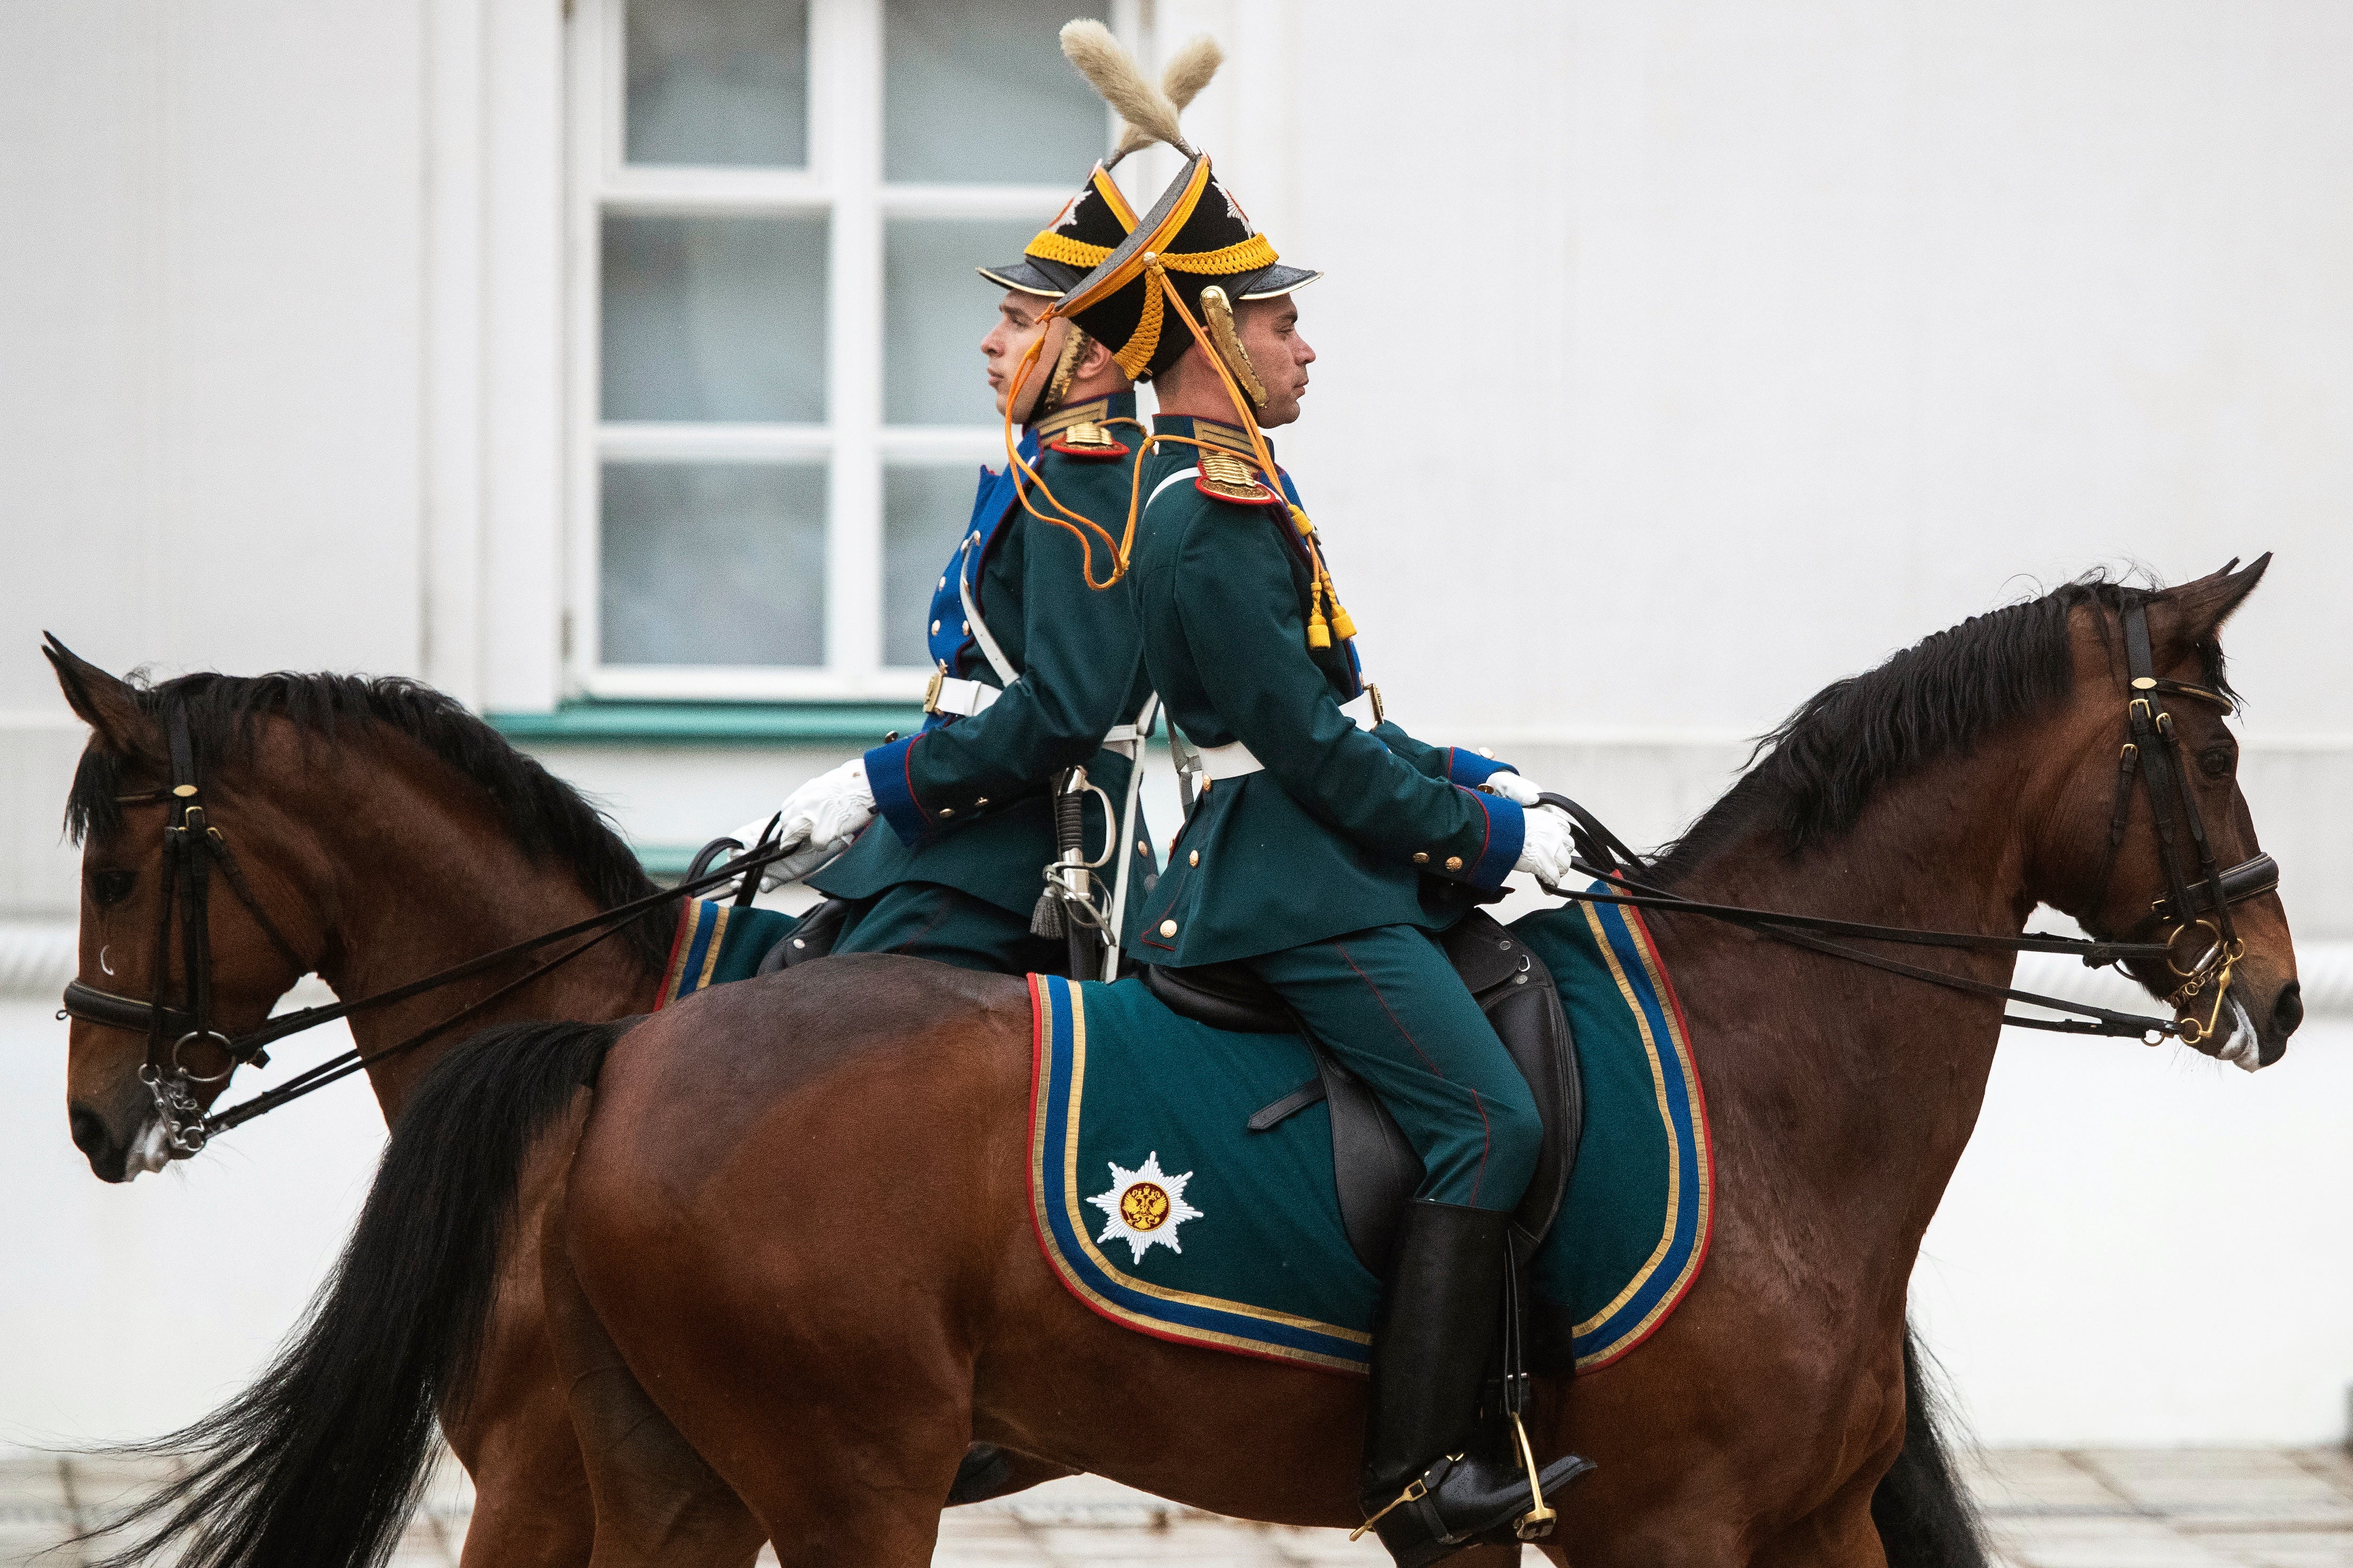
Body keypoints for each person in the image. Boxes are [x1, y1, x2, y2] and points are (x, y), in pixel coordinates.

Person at [1038, 32, 1593, 1562]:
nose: (1306, 348)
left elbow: (1344, 711)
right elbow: (1308, 754)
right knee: (1488, 1122)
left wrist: (1484, 776)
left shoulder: (1237, 485)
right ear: (1210, 332)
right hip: (1288, 886)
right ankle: (1423, 1475)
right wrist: (1482, 837)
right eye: (1284, 322)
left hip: (1306, 851)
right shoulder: (1209, 516)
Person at [726, 161, 1162, 978]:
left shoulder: (1089, 477)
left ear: (1095, 357)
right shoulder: (1049, 469)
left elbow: (1064, 709)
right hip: (967, 833)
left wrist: (878, 781)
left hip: (1019, 853)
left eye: (1019, 320)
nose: (991, 341)